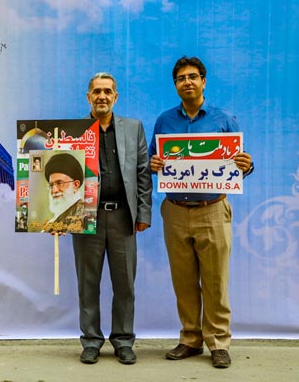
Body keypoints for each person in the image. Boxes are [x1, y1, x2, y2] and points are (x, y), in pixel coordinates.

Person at [148, 56, 254, 369]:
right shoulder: (164, 121)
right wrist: (154, 164)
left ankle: (218, 342)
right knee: (183, 281)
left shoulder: (224, 119)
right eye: (181, 78)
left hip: (213, 209)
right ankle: (190, 339)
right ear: (175, 85)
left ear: (203, 81)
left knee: (215, 281)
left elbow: (240, 164)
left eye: (193, 76)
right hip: (175, 210)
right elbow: (154, 160)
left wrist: (247, 165)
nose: (187, 82)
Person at [72, 72, 152, 365]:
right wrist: (54, 217)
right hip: (84, 217)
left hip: (123, 216)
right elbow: (57, 171)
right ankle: (91, 341)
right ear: (88, 97)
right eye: (96, 91)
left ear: (115, 97)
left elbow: (143, 172)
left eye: (107, 91)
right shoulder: (73, 131)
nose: (102, 96)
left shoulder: (133, 128)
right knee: (87, 284)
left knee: (125, 284)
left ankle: (123, 340)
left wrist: (143, 213)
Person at [42, 153, 85, 233]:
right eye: (51, 185)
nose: (54, 190)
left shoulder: (82, 215)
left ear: (75, 185)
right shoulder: (56, 218)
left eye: (59, 183)